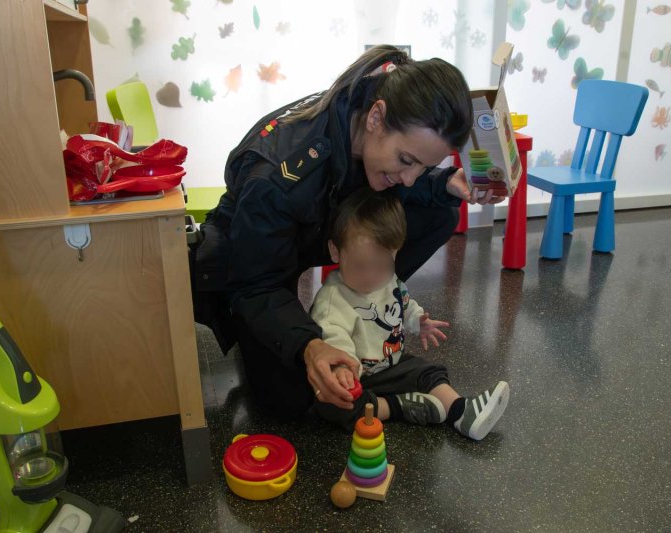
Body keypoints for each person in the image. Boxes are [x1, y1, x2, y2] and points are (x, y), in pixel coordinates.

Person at [193, 45, 504, 420]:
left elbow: (396, 179)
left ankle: (364, 300)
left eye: (424, 166)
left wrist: (442, 183)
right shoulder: (277, 178)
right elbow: (257, 284)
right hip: (259, 248)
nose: (409, 177)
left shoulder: (377, 114)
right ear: (376, 117)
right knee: (291, 396)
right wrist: (309, 345)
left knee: (439, 210)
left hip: (325, 222)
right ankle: (349, 365)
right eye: (407, 160)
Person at [310, 188, 509, 439]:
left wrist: (417, 320)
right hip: (357, 377)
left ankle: (462, 411)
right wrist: (342, 370)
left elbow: (401, 301)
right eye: (361, 266)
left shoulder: (387, 278)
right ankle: (395, 407)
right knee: (334, 403)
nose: (372, 276)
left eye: (383, 265)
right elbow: (333, 336)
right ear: (336, 251)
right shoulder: (332, 300)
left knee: (429, 371)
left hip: (390, 364)